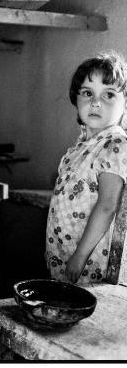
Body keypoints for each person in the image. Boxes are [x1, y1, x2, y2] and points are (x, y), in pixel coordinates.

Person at [46, 51, 127, 285]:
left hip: (89, 262)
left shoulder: (115, 145)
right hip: (65, 252)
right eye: (87, 93)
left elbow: (107, 206)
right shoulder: (82, 147)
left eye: (109, 94)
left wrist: (80, 257)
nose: (95, 102)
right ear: (76, 98)